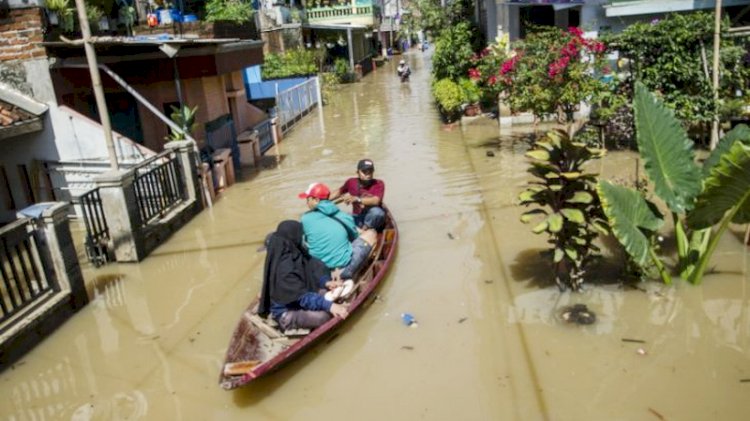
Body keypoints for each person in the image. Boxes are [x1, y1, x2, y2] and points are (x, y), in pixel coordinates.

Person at [257, 220, 349, 332]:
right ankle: (286, 323)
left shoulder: (295, 253)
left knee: (330, 294)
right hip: (287, 312)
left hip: (300, 297)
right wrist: (330, 306)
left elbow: (314, 267)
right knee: (324, 316)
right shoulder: (284, 269)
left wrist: (325, 282)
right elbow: (302, 297)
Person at [299, 183, 377, 281]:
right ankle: (358, 272)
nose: (306, 203)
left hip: (321, 271)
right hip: (344, 269)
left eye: (308, 199)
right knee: (372, 234)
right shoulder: (344, 216)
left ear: (316, 200)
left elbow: (303, 243)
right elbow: (355, 238)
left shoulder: (305, 218)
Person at [330, 159, 386, 232]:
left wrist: (357, 199)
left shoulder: (379, 183)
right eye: (364, 172)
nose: (368, 175)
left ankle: (364, 231)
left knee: (377, 212)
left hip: (373, 219)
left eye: (370, 172)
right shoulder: (351, 182)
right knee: (340, 218)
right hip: (357, 217)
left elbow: (376, 201)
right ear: (357, 172)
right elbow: (339, 192)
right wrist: (322, 200)